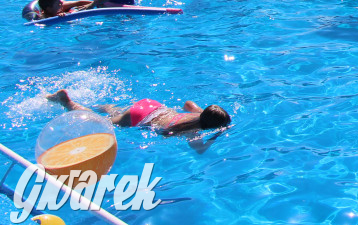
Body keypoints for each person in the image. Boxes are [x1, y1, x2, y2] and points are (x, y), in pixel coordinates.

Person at [45, 90, 230, 153]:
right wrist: (218, 135)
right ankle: (67, 102)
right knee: (99, 122)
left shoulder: (198, 114)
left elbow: (188, 103)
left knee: (115, 113)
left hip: (151, 106)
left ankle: (100, 104)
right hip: (141, 118)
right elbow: (200, 151)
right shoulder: (193, 132)